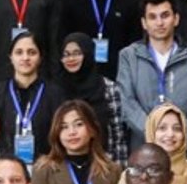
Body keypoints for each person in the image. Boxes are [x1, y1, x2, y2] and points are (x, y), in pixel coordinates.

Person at [116, 0, 187, 146]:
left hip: (184, 151)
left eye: (165, 15)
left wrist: (178, 138)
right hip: (143, 150)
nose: (159, 23)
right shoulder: (129, 56)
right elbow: (127, 104)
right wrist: (154, 135)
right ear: (144, 23)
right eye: (152, 17)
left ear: (176, 19)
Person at [0, 33, 66, 163]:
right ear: (10, 57)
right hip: (6, 168)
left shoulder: (55, 94)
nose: (25, 57)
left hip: (46, 167)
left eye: (32, 52)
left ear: (40, 58)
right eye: (19, 52)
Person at [63, 0, 140, 80]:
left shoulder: (128, 2)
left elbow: (134, 42)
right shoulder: (72, 2)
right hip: (81, 76)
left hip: (119, 74)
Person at [55, 34, 132, 162]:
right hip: (65, 167)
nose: (71, 58)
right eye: (66, 54)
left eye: (77, 53)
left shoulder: (109, 88)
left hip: (103, 165)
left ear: (88, 54)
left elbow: (119, 135)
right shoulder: (56, 90)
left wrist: (118, 170)